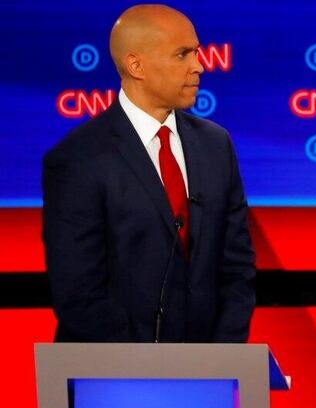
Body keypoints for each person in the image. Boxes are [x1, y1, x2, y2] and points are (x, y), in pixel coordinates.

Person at [42, 4, 256, 343]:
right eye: (182, 54)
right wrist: (152, 363)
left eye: (196, 52)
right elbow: (78, 294)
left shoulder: (216, 145)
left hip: (208, 367)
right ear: (136, 65)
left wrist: (219, 357)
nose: (199, 66)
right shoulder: (78, 159)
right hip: (114, 367)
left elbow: (237, 270)